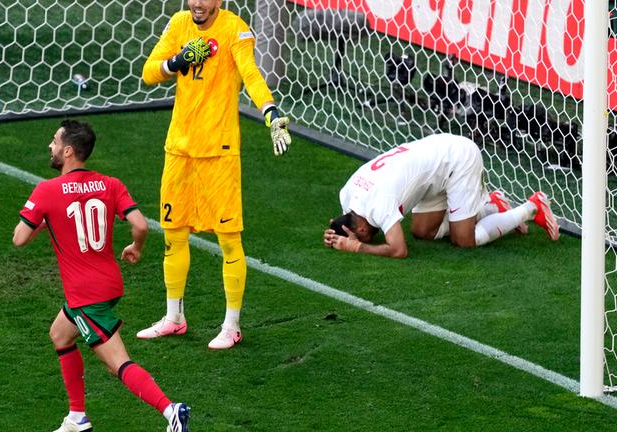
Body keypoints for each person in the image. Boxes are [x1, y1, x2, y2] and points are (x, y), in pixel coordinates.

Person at [12, 120, 191, 432]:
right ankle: (77, 418)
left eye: (54, 142)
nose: (50, 147)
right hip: (108, 282)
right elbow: (141, 226)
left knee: (116, 362)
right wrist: (135, 247)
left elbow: (19, 238)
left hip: (85, 295)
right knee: (60, 334)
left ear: (68, 151)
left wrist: (43, 220)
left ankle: (170, 410)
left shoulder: (46, 190)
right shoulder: (110, 184)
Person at [138, 0, 292, 349]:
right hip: (179, 149)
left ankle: (232, 326)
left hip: (219, 153)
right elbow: (148, 72)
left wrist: (270, 112)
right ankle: (173, 317)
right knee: (173, 233)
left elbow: (251, 74)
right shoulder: (178, 25)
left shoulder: (235, 29)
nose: (196, 4)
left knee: (228, 239)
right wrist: (176, 62)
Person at [322, 133, 559, 258]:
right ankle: (492, 206)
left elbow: (398, 250)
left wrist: (357, 248)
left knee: (463, 240)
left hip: (457, 159)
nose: (365, 238)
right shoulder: (348, 193)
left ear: (361, 231)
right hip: (433, 165)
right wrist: (337, 232)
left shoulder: (378, 205)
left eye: (362, 237)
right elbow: (345, 221)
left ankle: (531, 208)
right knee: (423, 232)